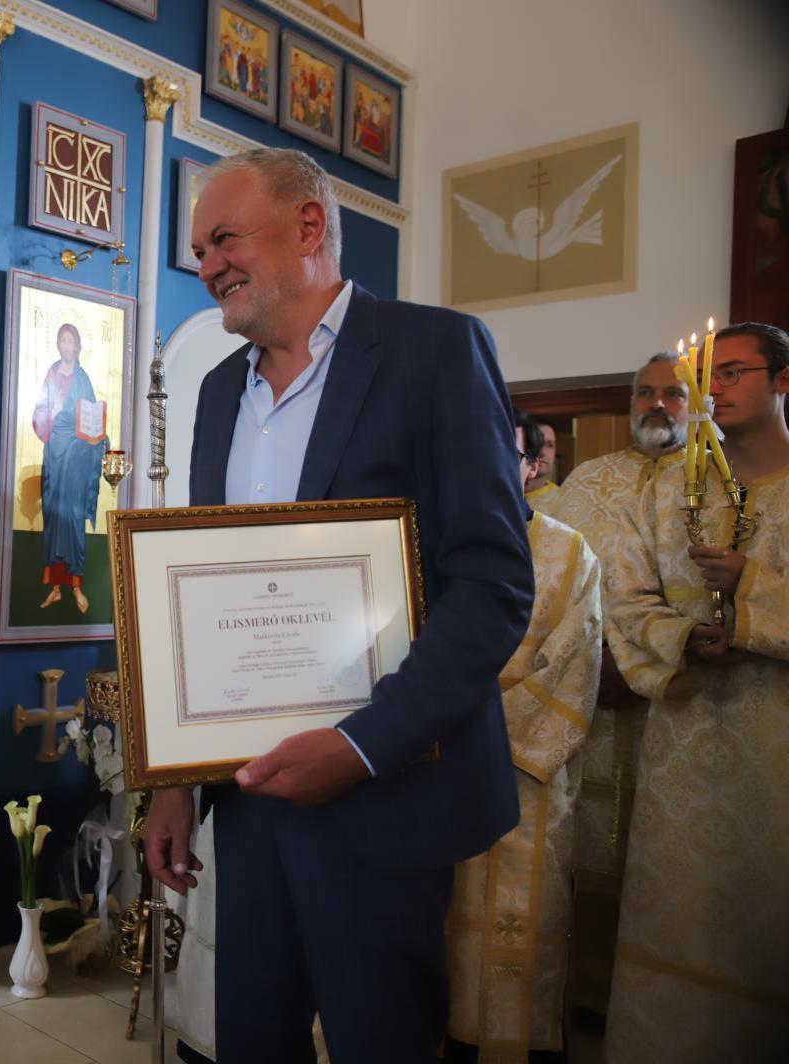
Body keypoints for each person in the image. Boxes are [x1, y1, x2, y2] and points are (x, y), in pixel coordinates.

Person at [148, 147, 532, 1063]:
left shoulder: (435, 352)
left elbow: (491, 584)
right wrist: (172, 778)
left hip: (387, 790)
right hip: (249, 796)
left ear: (309, 226)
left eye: (224, 239)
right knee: (253, 1040)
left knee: (380, 1042)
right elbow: (202, 593)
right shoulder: (217, 391)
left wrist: (360, 745)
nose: (207, 266)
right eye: (199, 251)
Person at [601, 322, 789, 1061]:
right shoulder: (668, 491)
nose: (717, 388)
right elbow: (625, 596)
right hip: (684, 742)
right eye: (710, 374)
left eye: (736, 372)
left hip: (777, 747)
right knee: (678, 924)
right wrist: (683, 638)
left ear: (783, 382)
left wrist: (753, 589)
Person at [446, 410, 601, 1063]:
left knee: (520, 936)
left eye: (505, 453)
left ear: (533, 465)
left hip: (521, 780)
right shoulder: (426, 540)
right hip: (430, 773)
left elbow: (575, 667)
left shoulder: (571, 553)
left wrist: (463, 731)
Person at [549, 351, 688, 995]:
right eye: (644, 392)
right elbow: (551, 584)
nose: (656, 404)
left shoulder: (719, 480)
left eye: (674, 393)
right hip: (587, 692)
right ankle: (583, 985)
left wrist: (644, 661)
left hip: (676, 698)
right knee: (585, 843)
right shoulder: (587, 481)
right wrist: (591, 658)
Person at [32, 321, 106, 615]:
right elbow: (39, 413)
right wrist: (50, 412)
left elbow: (91, 415)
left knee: (73, 518)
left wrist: (97, 435)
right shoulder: (51, 374)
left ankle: (76, 586)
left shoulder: (83, 378)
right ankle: (55, 588)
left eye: (70, 341)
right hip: (55, 451)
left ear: (77, 346)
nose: (66, 346)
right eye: (62, 341)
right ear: (58, 345)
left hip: (77, 455)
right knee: (55, 516)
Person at [525, 420, 560, 512]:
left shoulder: (564, 500)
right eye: (536, 443)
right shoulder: (499, 496)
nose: (543, 452)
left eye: (550, 445)